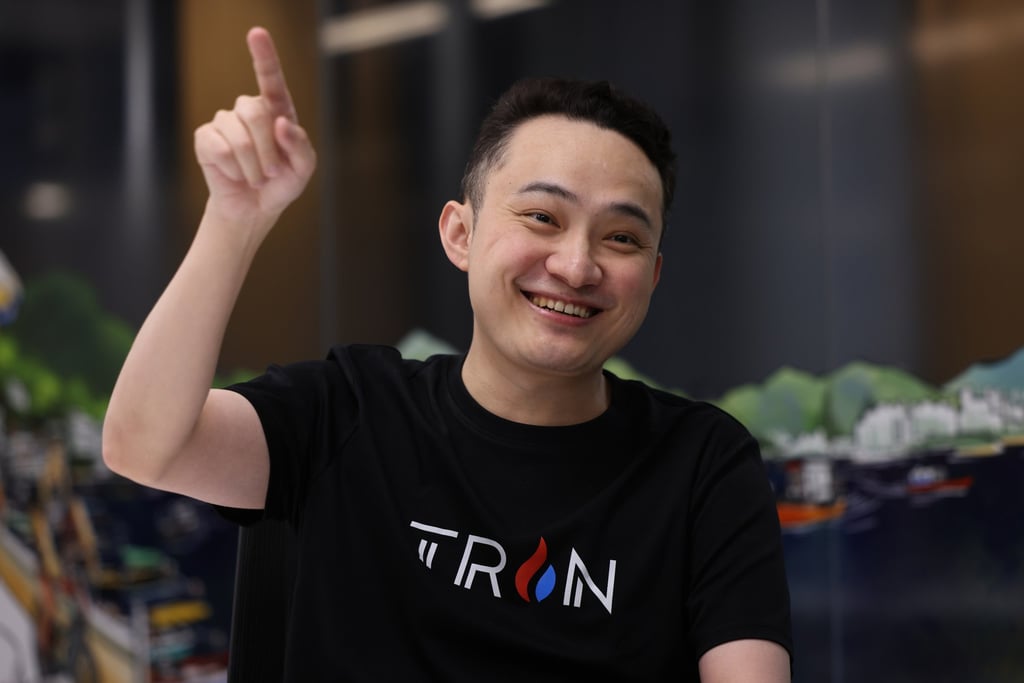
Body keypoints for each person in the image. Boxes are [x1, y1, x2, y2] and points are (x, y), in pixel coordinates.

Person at [103, 26, 792, 682]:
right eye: (543, 218)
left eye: (622, 238)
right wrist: (235, 219)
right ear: (459, 234)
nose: (578, 264)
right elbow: (144, 445)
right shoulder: (350, 409)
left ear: (653, 275)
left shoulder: (703, 466)